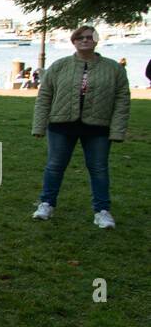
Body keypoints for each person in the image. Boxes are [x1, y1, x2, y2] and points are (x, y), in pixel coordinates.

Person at [30, 25, 130, 228]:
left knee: (99, 169)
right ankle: (47, 204)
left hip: (98, 127)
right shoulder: (59, 66)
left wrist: (117, 130)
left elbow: (122, 100)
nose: (85, 40)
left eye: (89, 37)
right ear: (74, 41)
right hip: (61, 125)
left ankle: (102, 211)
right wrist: (39, 126)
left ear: (96, 40)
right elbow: (44, 97)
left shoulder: (113, 69)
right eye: (80, 37)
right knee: (55, 166)